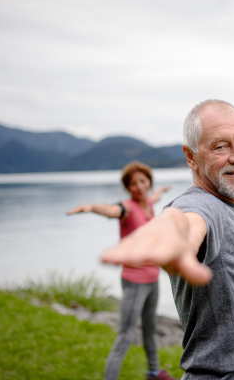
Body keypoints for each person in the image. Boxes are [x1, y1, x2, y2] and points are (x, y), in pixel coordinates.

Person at [101, 100, 234, 380]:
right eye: (220, 146)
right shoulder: (200, 206)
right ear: (191, 157)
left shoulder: (231, 205)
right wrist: (175, 241)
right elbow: (187, 222)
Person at [66, 161, 177, 380]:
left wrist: (161, 192)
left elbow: (153, 198)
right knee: (126, 335)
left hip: (152, 278)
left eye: (143, 181)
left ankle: (154, 372)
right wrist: (92, 207)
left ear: (149, 182)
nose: (139, 186)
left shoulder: (148, 203)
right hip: (135, 282)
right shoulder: (127, 208)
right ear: (127, 188)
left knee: (149, 328)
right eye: (133, 184)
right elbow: (112, 209)